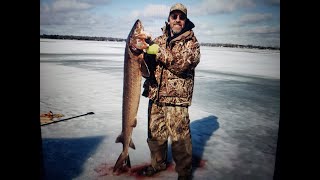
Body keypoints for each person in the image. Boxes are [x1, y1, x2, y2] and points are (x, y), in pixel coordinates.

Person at [133, 3, 200, 180]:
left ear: (186, 20)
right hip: (155, 97)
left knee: (180, 140)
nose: (177, 20)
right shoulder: (160, 39)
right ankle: (158, 164)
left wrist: (158, 51)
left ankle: (184, 174)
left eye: (181, 17)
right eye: (174, 16)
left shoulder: (192, 43)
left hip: (177, 101)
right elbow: (148, 67)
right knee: (155, 135)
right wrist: (141, 53)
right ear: (169, 19)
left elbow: (183, 64)